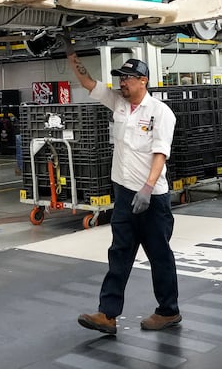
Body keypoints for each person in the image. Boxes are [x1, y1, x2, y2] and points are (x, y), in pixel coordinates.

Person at [68, 54, 180, 336]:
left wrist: (147, 188)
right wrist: (72, 57)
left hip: (152, 199)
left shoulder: (160, 112)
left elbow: (160, 153)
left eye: (127, 78)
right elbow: (87, 82)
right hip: (123, 194)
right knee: (119, 254)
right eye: (120, 78)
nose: (122, 83)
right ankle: (107, 314)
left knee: (159, 255)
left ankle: (169, 311)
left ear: (143, 80)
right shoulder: (118, 102)